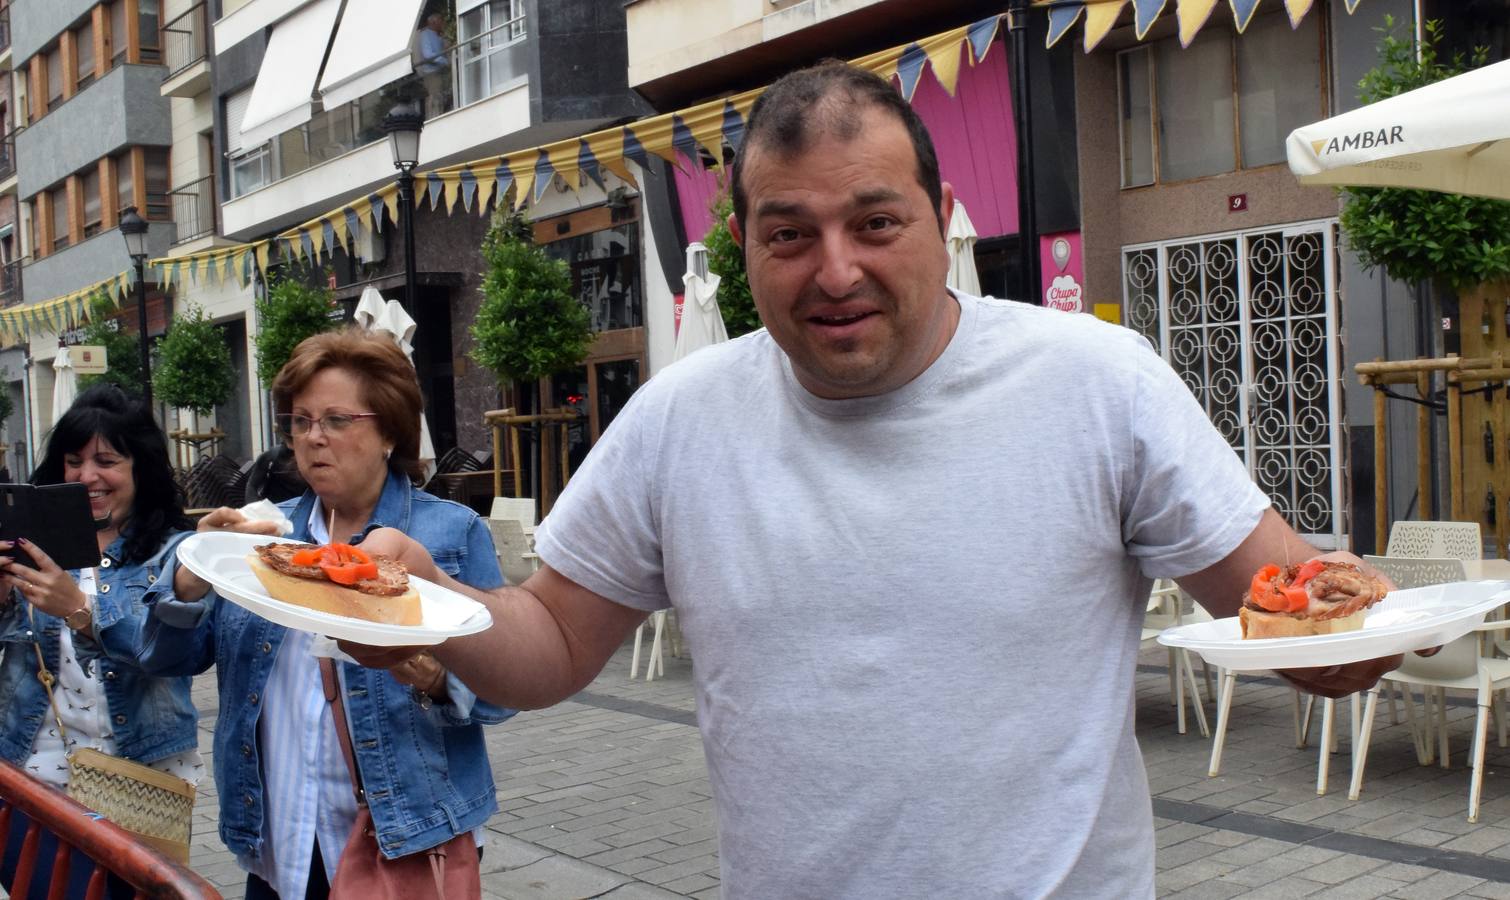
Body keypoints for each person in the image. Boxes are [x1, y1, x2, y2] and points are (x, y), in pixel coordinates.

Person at [355, 61, 1402, 897]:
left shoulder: (1096, 383)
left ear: (938, 212)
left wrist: (1362, 632)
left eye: (875, 223)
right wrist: (426, 608)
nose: (836, 269)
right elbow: (551, 645)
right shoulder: (681, 416)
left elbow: (1284, 611)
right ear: (744, 243)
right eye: (789, 235)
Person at [136, 328, 512, 900]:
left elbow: (505, 689)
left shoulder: (449, 534)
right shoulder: (262, 535)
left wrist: (438, 680)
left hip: (405, 839)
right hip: (279, 842)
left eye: (337, 420)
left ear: (388, 430)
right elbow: (167, 658)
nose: (313, 439)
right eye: (301, 421)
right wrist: (191, 576)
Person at [0, 384, 202, 900]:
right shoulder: (32, 543)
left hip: (140, 778)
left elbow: (173, 653)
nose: (88, 476)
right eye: (73, 461)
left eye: (106, 461)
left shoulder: (174, 554)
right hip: (35, 776)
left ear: (141, 468)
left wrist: (81, 610)